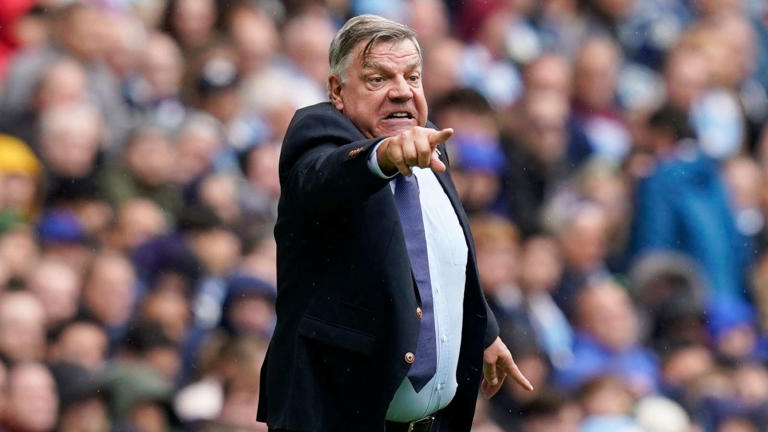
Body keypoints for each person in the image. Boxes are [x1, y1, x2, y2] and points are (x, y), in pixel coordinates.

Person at [257, 14, 531, 432]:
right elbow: (324, 177)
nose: (402, 91)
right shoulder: (317, 134)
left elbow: (441, 257)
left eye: (412, 77)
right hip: (333, 417)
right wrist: (382, 156)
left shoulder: (430, 143)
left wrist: (485, 331)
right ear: (337, 90)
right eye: (377, 79)